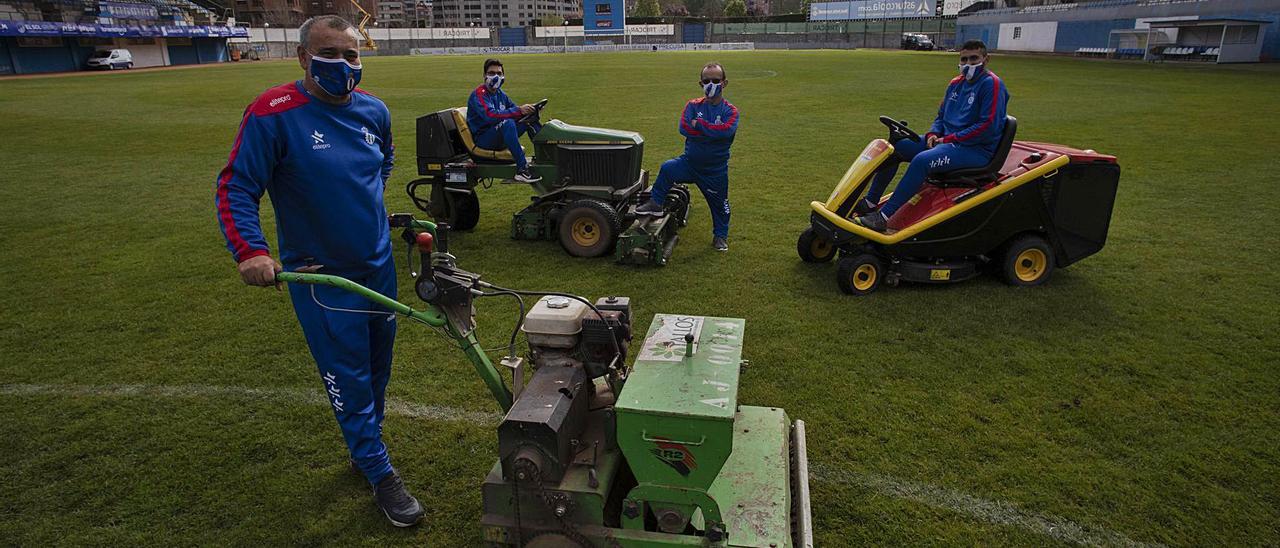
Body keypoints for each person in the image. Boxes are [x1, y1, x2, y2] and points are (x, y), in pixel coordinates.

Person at [213, 15, 424, 528]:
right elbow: (236, 186)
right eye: (330, 54)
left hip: (378, 267)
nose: (344, 65)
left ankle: (363, 447)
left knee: (377, 367)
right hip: (321, 275)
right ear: (304, 57)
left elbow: (382, 167)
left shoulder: (375, 110)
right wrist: (252, 251)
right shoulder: (273, 114)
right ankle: (379, 471)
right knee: (348, 373)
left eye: (352, 55)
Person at [853, 39, 1010, 232]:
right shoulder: (955, 84)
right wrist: (934, 133)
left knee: (922, 160)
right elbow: (941, 116)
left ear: (986, 59)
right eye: (964, 59)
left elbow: (987, 126)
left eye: (974, 58)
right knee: (895, 147)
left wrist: (948, 139)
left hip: (975, 150)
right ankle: (870, 202)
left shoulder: (992, 85)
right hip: (947, 143)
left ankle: (884, 217)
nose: (968, 64)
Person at [636, 62, 739, 252]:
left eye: (715, 80)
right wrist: (711, 134)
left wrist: (699, 125)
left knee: (721, 206)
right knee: (668, 168)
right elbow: (684, 128)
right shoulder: (692, 105)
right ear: (700, 83)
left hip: (714, 171)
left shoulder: (730, 111)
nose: (711, 84)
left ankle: (720, 236)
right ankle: (656, 203)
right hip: (689, 164)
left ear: (724, 83)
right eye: (706, 81)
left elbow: (726, 132)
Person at [467, 58, 542, 183]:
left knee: (529, 119)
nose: (496, 76)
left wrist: (531, 109)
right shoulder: (479, 94)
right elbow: (490, 116)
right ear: (484, 76)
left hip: (499, 135)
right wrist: (519, 110)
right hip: (483, 140)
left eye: (499, 73)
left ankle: (546, 158)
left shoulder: (500, 94)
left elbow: (515, 111)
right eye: (491, 73)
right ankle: (522, 170)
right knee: (508, 122)